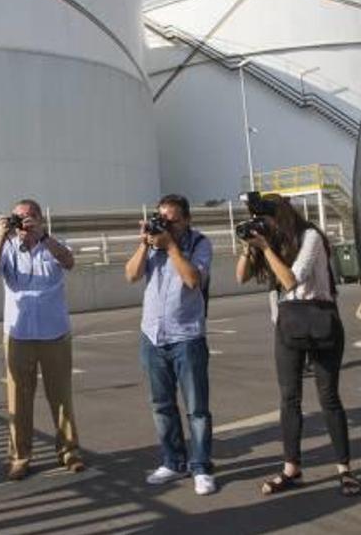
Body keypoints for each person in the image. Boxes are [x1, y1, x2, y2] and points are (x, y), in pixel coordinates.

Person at [235, 193, 361, 498]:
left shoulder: (310, 237)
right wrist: (249, 248)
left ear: (281, 217)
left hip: (320, 322)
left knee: (328, 397)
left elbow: (291, 281)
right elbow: (240, 278)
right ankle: (292, 468)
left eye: (266, 220)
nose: (264, 226)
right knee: (289, 398)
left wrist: (266, 248)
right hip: (289, 324)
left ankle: (345, 469)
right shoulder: (272, 241)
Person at [0, 199, 85, 480]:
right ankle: (19, 457)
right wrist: (2, 237)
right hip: (19, 335)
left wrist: (43, 237)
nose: (23, 223)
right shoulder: (9, 247)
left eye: (28, 218)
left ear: (39, 219)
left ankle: (69, 451)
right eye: (17, 218)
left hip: (55, 334)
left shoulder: (52, 244)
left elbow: (70, 262)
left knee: (60, 396)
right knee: (18, 400)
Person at [125, 194, 216, 496]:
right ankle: (173, 460)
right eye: (162, 218)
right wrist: (144, 243)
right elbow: (130, 275)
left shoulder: (200, 243)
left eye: (172, 220)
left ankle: (201, 467)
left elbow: (193, 281)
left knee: (197, 409)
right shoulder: (151, 244)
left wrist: (172, 247)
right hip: (152, 336)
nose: (166, 225)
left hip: (187, 336)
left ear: (187, 220)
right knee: (162, 405)